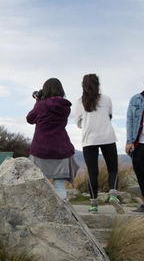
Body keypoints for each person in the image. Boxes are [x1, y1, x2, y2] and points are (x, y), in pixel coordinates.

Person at [75, 74, 124, 214]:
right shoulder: (107, 99)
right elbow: (110, 116)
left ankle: (93, 205)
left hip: (89, 140)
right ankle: (113, 195)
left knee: (92, 172)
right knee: (113, 168)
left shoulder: (80, 102)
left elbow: (78, 123)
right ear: (98, 84)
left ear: (83, 86)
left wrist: (86, 124)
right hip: (107, 137)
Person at [26, 78, 79, 200]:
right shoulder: (65, 106)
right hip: (61, 148)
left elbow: (29, 119)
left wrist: (38, 101)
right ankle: (63, 211)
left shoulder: (41, 105)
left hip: (41, 148)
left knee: (38, 183)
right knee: (60, 185)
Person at [125, 85, 144, 213]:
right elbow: (130, 120)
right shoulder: (136, 99)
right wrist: (129, 141)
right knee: (141, 173)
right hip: (139, 143)